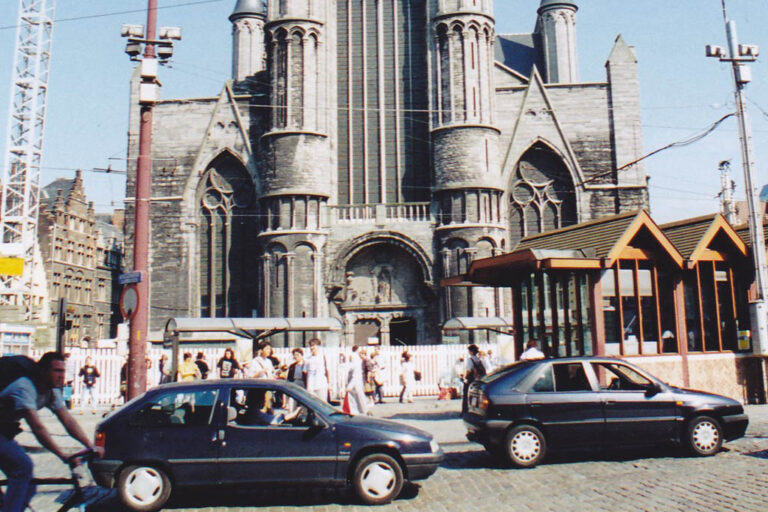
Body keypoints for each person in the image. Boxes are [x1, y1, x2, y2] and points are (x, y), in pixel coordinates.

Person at [0, 353, 99, 512]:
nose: (61, 376)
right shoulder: (24, 386)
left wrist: (90, 446)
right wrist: (63, 456)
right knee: (22, 468)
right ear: (42, 371)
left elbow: (68, 421)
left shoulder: (52, 392)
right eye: (56, 371)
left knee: (28, 485)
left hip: (4, 432)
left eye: (62, 371)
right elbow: (38, 428)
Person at [462, 344, 486, 414]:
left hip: (471, 379)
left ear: (471, 351)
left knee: (466, 395)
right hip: (478, 379)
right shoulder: (479, 360)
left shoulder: (470, 360)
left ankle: (465, 411)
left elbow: (468, 370)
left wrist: (465, 377)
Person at [345, 346, 368, 415]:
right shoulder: (353, 363)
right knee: (354, 403)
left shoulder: (356, 363)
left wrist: (349, 386)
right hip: (353, 385)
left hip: (356, 385)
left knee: (359, 402)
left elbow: (355, 376)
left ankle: (365, 414)